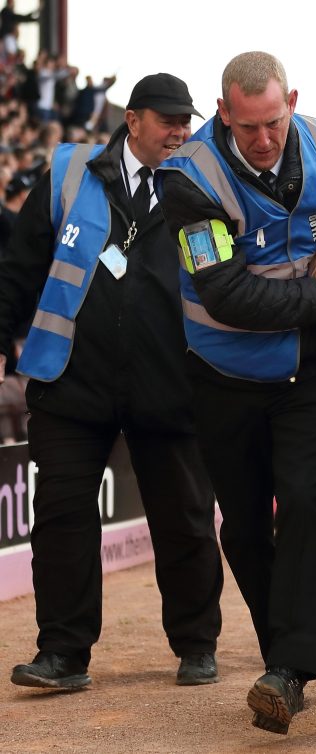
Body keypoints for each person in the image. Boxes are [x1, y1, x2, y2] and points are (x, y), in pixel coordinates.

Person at [155, 51, 316, 736]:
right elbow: (227, 294)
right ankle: (278, 661)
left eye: (274, 122)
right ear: (223, 112)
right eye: (249, 126)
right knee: (245, 526)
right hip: (223, 375)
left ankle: (290, 671)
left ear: (291, 100)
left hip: (311, 374)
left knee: (300, 500)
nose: (264, 140)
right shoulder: (189, 180)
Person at [0, 73, 224, 691]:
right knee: (63, 518)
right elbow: (19, 269)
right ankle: (63, 654)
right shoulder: (70, 173)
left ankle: (196, 643)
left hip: (171, 383)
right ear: (133, 120)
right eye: (168, 120)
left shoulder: (202, 184)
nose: (181, 131)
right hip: (70, 381)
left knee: (183, 517)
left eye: (187, 121)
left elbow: (220, 281)